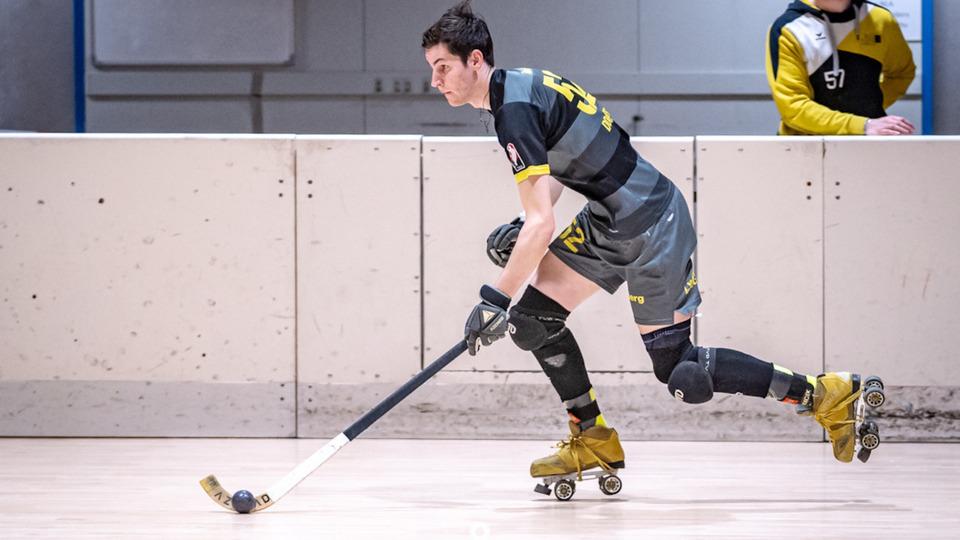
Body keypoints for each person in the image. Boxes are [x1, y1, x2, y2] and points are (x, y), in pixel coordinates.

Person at [422, 1, 885, 492]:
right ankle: (592, 435)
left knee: (679, 369)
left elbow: (543, 225)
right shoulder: (521, 86)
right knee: (533, 320)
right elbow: (551, 182)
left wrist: (493, 299)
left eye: (442, 67)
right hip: (611, 218)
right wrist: (521, 224)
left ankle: (824, 394)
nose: (435, 81)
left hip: (652, 221)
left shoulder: (512, 110)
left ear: (475, 60)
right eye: (432, 69)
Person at [766, 0, 916, 135]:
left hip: (867, 141)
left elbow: (902, 73)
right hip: (805, 145)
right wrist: (860, 124)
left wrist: (868, 108)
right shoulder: (789, 28)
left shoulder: (880, 18)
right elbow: (793, 107)